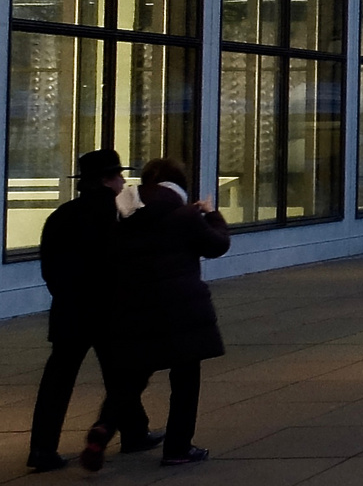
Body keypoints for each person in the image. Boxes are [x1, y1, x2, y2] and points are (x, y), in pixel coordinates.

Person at [29, 150, 157, 472]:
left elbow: (50, 268)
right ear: (106, 180)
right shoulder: (120, 214)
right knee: (121, 373)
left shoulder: (61, 216)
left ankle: (42, 448)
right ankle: (133, 432)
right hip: (110, 309)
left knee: (57, 380)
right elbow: (130, 262)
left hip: (70, 309)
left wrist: (65, 295)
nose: (123, 182)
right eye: (118, 176)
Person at [99, 159, 229, 468]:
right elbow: (217, 245)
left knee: (132, 375)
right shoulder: (185, 215)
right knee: (185, 379)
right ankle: (177, 448)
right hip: (181, 309)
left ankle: (102, 429)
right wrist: (211, 214)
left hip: (136, 306)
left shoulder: (123, 214)